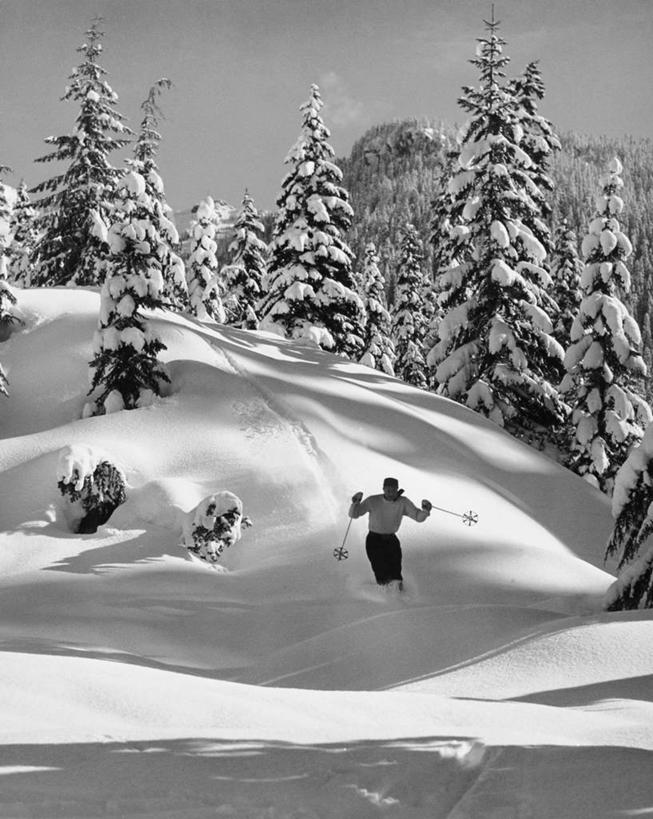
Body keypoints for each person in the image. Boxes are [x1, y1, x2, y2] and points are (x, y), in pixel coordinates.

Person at [348, 477, 432, 590]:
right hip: (374, 539)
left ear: (397, 489)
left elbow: (418, 517)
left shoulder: (403, 502)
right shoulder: (373, 500)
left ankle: (399, 592)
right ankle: (385, 593)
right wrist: (355, 503)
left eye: (393, 490)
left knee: (395, 566)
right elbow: (354, 514)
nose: (390, 492)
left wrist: (426, 511)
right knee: (379, 566)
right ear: (383, 489)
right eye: (388, 490)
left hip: (391, 539)